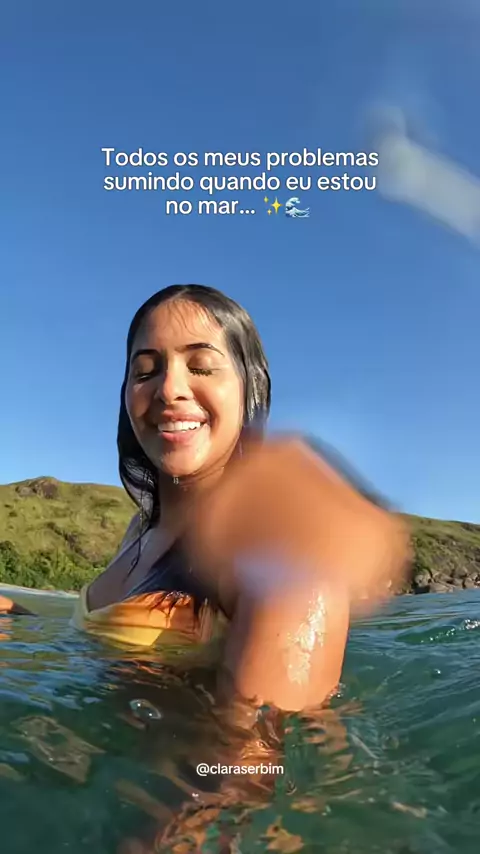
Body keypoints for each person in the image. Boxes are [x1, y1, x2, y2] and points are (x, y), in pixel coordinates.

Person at [2, 284, 410, 713]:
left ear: (249, 387)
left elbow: (257, 749)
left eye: (201, 366)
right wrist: (15, 617)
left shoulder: (280, 548)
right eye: (145, 372)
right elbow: (104, 654)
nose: (169, 389)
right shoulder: (140, 529)